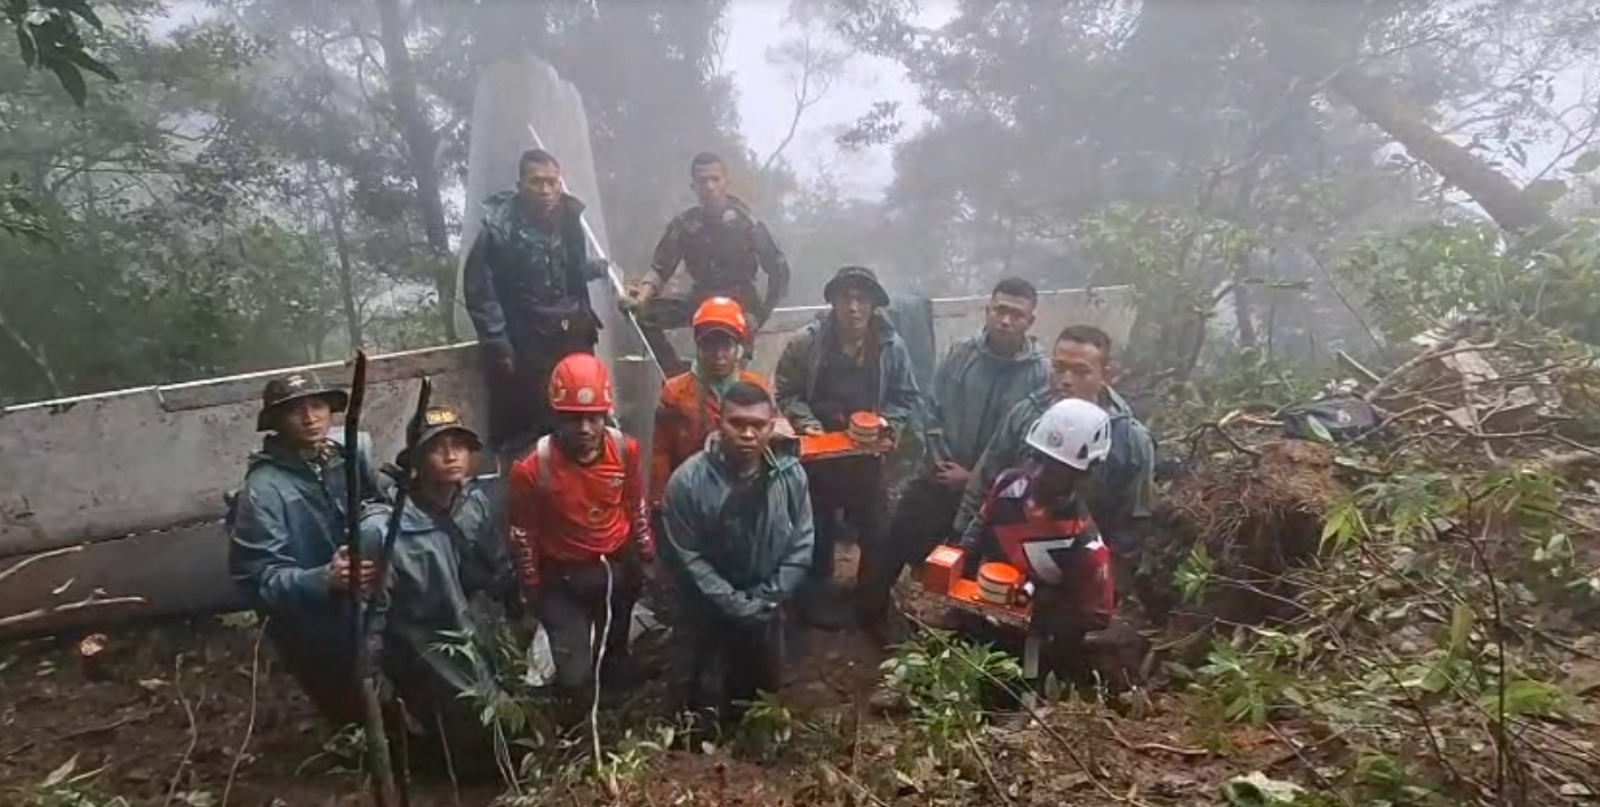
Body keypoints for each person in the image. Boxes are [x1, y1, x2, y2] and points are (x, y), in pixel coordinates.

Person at [857, 277, 1049, 643]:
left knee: (973, 562)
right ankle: (871, 614)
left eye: (1016, 314)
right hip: (940, 473)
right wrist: (941, 461)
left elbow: (1029, 444)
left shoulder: (1040, 374)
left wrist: (974, 478)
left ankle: (961, 630)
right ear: (987, 310)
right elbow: (932, 408)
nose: (1005, 320)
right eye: (1000, 310)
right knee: (897, 539)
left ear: (1030, 320)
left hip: (994, 494)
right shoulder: (962, 353)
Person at [228, 371, 384, 727]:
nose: (310, 417)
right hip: (312, 622)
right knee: (351, 713)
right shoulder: (263, 489)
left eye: (317, 406)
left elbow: (378, 503)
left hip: (367, 600)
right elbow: (257, 579)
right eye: (294, 410)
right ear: (277, 422)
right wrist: (323, 579)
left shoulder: (347, 454)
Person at [356, 405, 505, 777]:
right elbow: (370, 614)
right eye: (437, 447)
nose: (451, 455)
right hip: (422, 646)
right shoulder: (386, 529)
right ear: (416, 461)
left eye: (459, 445)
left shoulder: (475, 502)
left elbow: (495, 569)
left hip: (476, 630)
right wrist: (376, 678)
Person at [659, 381, 814, 727]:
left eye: (757, 425)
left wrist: (766, 598)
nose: (747, 434)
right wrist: (734, 603)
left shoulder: (790, 475)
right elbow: (686, 557)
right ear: (719, 423)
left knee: (762, 695)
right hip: (703, 607)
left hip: (766, 606)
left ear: (771, 426)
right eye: (737, 423)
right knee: (691, 700)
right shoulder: (687, 483)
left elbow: (802, 542)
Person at [774, 265, 920, 629]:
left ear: (873, 304)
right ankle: (814, 601)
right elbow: (787, 391)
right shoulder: (806, 342)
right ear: (833, 302)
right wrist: (808, 425)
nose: (853, 307)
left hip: (867, 456)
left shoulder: (891, 347)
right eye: (846, 298)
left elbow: (905, 396)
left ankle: (872, 605)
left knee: (876, 530)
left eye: (862, 299)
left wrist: (887, 426)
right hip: (819, 456)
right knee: (816, 528)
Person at [952, 325, 1155, 585]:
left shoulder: (1130, 440)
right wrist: (962, 551)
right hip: (1005, 564)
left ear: (1106, 375)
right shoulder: (1026, 414)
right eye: (1059, 368)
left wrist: (1106, 584)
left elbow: (1133, 523)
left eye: (1080, 371)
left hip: (1078, 570)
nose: (1066, 380)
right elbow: (985, 482)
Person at [507, 353, 654, 712]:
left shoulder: (625, 450)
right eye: (573, 418)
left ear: (606, 414)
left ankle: (618, 689)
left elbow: (636, 503)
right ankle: (578, 720)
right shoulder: (532, 468)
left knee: (615, 646)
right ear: (557, 417)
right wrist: (532, 589)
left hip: (616, 567)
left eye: (594, 417)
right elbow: (523, 532)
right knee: (575, 677)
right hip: (564, 577)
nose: (585, 428)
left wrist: (646, 554)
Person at [955, 398, 1116, 686]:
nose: (1039, 474)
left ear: (1082, 474)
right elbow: (978, 528)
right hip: (981, 610)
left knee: (1021, 686)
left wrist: (1039, 611)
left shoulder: (1084, 545)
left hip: (1035, 645)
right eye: (1036, 459)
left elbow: (1097, 615)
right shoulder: (1007, 485)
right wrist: (957, 569)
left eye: (1054, 469)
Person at [463, 148, 606, 452]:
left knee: (579, 408)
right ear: (520, 186)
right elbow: (479, 290)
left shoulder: (569, 219)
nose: (545, 190)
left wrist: (599, 269)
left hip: (572, 331)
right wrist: (497, 341)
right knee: (530, 426)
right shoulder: (499, 227)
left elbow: (572, 269)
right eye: (536, 182)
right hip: (526, 339)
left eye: (552, 182)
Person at [621, 152, 791, 371]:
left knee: (730, 375)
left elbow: (780, 273)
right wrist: (641, 299)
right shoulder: (685, 225)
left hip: (741, 304)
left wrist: (759, 316)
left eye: (715, 179)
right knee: (645, 316)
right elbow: (660, 268)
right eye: (703, 181)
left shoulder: (748, 224)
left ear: (726, 182)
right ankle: (676, 375)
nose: (709, 186)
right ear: (694, 187)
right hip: (701, 298)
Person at [650, 296, 773, 508]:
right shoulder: (675, 392)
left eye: (726, 346)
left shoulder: (759, 389)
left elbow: (773, 444)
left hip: (747, 494)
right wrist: (661, 501)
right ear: (698, 346)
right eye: (709, 346)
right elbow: (661, 452)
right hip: (691, 495)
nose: (718, 355)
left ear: (739, 348)